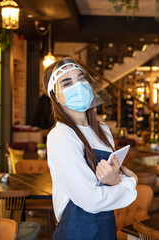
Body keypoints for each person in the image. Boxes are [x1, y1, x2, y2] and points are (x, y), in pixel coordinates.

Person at [43, 57, 138, 239]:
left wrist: (115, 179)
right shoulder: (62, 135)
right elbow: (90, 199)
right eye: (67, 82)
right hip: (77, 230)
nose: (77, 86)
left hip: (106, 227)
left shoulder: (103, 130)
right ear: (55, 96)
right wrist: (129, 183)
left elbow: (110, 178)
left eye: (81, 78)